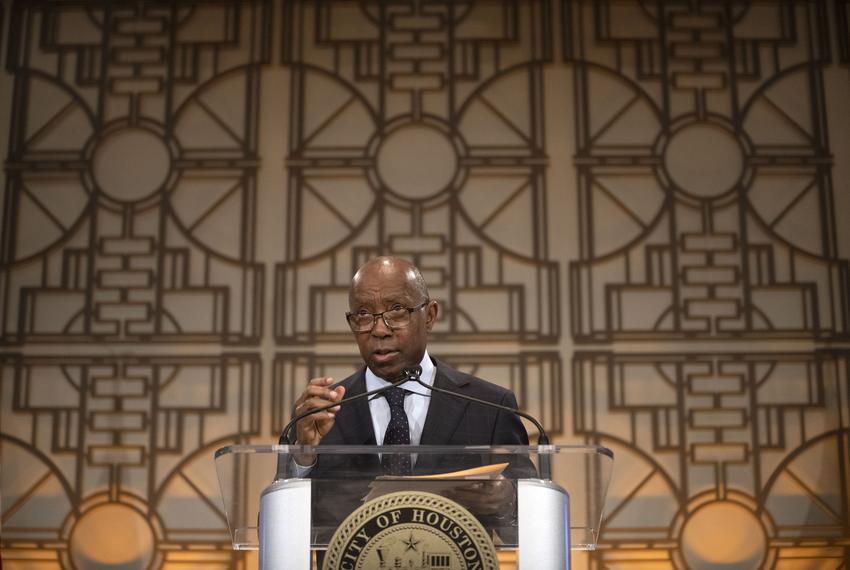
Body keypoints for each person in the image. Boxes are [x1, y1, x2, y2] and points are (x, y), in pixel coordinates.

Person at [286, 256, 531, 534]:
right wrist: (302, 459)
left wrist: (508, 499)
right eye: (364, 315)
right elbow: (276, 530)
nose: (379, 330)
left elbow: (537, 522)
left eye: (397, 310)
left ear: (429, 316)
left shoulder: (490, 408)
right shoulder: (319, 415)